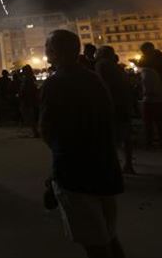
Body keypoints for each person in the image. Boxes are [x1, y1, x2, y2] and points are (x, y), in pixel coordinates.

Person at [40, 30, 125, 258]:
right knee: (109, 236)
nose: (45, 50)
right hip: (105, 166)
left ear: (55, 52)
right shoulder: (93, 78)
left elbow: (48, 129)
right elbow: (109, 118)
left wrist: (57, 168)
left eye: (47, 46)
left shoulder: (54, 83)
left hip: (75, 173)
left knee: (95, 245)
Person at [95, 46, 135, 174]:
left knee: (110, 137)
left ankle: (113, 166)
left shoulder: (101, 65)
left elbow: (103, 85)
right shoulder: (118, 67)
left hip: (111, 105)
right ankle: (128, 163)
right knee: (125, 136)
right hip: (123, 104)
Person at [140, 66, 162, 147]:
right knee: (158, 122)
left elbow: (148, 88)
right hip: (157, 100)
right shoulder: (152, 72)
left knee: (148, 122)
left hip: (150, 100)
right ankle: (161, 140)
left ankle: (149, 141)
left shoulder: (146, 73)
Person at [18, 64, 40, 137]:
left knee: (30, 116)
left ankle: (35, 131)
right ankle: (35, 131)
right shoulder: (30, 78)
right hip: (30, 99)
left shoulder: (27, 80)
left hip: (28, 99)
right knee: (31, 115)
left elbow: (26, 89)